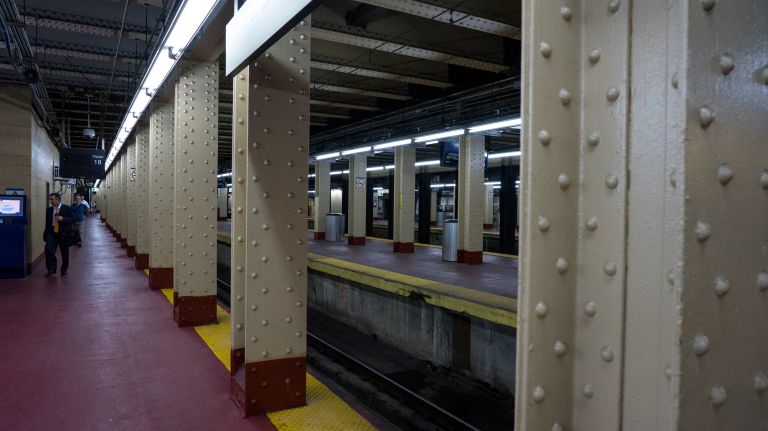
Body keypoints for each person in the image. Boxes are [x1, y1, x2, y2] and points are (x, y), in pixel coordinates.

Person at [43, 192, 74, 276]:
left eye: (52, 199)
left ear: (57, 199)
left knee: (64, 252)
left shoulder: (67, 208)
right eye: (50, 199)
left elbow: (72, 219)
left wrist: (63, 219)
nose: (50, 201)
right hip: (51, 232)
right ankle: (51, 269)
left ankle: (64, 269)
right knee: (49, 250)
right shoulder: (49, 210)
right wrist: (46, 233)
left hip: (63, 233)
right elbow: (47, 222)